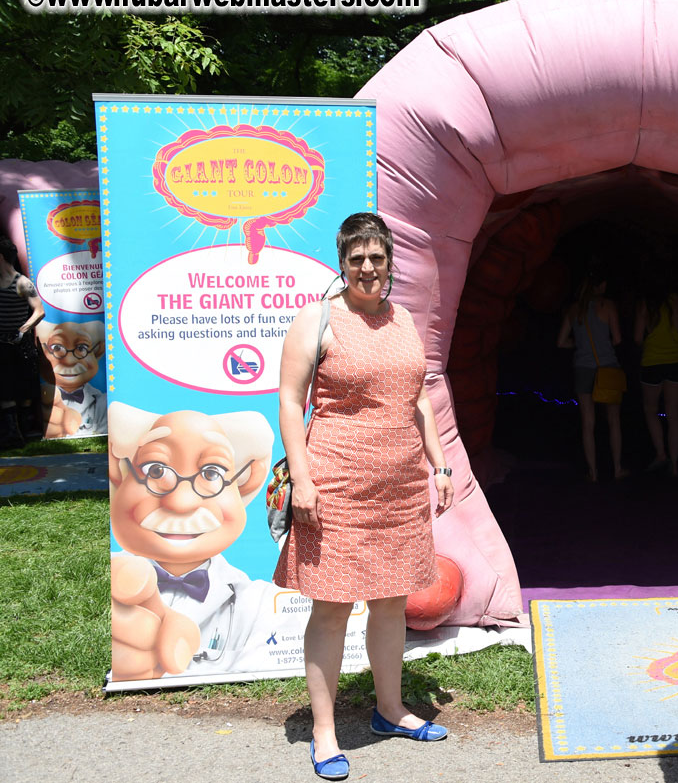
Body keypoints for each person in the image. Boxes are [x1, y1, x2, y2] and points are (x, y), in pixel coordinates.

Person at [272, 213, 455, 781]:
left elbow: (417, 399)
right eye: (357, 258)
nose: (368, 268)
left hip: (399, 489)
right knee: (331, 609)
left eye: (377, 257)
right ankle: (324, 733)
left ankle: (390, 710)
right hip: (336, 485)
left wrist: (440, 464)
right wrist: (302, 479)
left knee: (392, 603)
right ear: (343, 261)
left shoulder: (404, 320)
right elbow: (288, 399)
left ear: (389, 260)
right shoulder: (317, 318)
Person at [108, 403, 275, 680]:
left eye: (212, 474)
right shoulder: (108, 579)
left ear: (245, 485)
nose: (181, 502)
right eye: (156, 471)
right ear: (118, 474)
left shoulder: (260, 602)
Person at [556, 271, 626, 481]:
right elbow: (618, 338)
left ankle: (593, 472)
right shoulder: (607, 307)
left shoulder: (573, 310)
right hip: (607, 368)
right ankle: (617, 468)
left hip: (583, 368)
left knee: (588, 422)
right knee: (614, 421)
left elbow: (560, 342)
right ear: (602, 285)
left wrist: (579, 345)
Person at [634, 277, 678, 476]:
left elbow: (638, 338)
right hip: (677, 363)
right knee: (673, 415)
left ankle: (661, 454)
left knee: (651, 410)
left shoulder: (645, 305)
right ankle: (674, 465)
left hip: (652, 363)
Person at [0, 235, 44, 442]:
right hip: (1, 344)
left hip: (19, 344)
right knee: (5, 390)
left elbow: (39, 311)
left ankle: (25, 430)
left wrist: (22, 330)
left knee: (24, 390)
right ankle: (11, 434)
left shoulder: (22, 282)